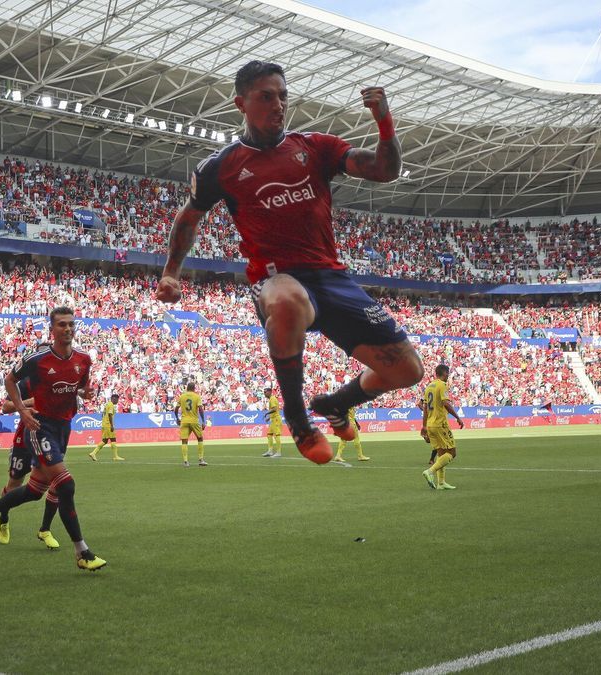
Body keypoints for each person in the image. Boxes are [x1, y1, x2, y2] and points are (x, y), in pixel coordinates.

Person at [155, 60, 423, 465]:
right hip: (277, 279)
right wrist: (171, 272)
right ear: (241, 103)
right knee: (284, 298)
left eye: (283, 95)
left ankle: (335, 404)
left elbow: (385, 170)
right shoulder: (220, 167)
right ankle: (298, 419)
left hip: (332, 278)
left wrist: (385, 123)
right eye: (266, 96)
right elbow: (188, 217)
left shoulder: (314, 147)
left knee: (409, 372)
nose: (278, 104)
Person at [0, 307, 106, 571]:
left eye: (71, 324)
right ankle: (82, 551)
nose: (67, 329)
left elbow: (81, 386)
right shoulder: (38, 359)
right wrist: (23, 410)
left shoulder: (84, 358)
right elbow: (9, 380)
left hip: (64, 428)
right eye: (62, 325)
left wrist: (85, 393)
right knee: (65, 485)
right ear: (52, 329)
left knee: (35, 491)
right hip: (40, 426)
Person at [0, 375, 62, 549]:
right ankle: (4, 519)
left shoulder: (59, 383)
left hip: (48, 439)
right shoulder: (26, 383)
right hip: (24, 441)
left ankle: (45, 529)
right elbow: (6, 407)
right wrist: (31, 401)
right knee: (14, 485)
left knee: (57, 482)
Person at [421, 365, 464, 490]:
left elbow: (424, 408)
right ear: (444, 373)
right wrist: (458, 417)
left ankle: (441, 483)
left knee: (441, 453)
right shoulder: (442, 385)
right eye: (447, 373)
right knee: (452, 452)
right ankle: (430, 471)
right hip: (440, 424)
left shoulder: (429, 387)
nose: (448, 376)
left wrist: (424, 426)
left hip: (430, 424)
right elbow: (446, 403)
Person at [174, 382, 207, 467]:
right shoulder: (197, 396)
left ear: (187, 388)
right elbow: (200, 409)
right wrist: (203, 421)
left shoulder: (182, 396)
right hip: (194, 421)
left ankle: (185, 461)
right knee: (200, 438)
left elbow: (176, 409)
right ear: (194, 388)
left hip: (184, 421)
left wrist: (177, 418)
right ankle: (201, 459)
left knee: (184, 440)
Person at [88, 394, 125, 461]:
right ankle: (116, 456)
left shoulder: (107, 404)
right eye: (117, 399)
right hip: (108, 425)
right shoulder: (111, 405)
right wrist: (111, 425)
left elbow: (103, 414)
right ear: (114, 398)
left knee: (104, 441)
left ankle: (93, 453)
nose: (117, 401)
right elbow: (110, 415)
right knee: (113, 439)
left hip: (104, 424)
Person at [261, 387, 283, 458]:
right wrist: (269, 417)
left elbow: (274, 409)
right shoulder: (271, 399)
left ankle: (279, 452)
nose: (264, 393)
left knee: (276, 435)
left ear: (270, 392)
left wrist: (266, 413)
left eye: (265, 392)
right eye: (264, 392)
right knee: (269, 434)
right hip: (273, 419)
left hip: (276, 419)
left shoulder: (272, 399)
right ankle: (270, 451)